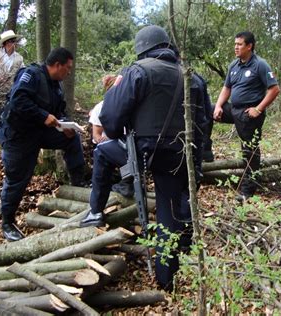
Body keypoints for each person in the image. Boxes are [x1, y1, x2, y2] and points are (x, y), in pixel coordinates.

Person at [80, 25, 206, 291]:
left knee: (103, 151)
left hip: (143, 150)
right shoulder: (193, 77)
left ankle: (95, 211)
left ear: (142, 48)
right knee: (169, 210)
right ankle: (167, 277)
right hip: (181, 152)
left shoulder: (136, 71)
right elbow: (203, 123)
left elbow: (111, 120)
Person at [0, 47, 86, 242]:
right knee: (18, 178)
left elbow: (59, 110)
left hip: (39, 133)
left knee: (71, 138)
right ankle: (7, 222)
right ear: (57, 65)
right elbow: (17, 102)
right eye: (68, 68)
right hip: (18, 136)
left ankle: (79, 183)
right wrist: (43, 115)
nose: (69, 72)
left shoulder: (56, 85)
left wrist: (65, 124)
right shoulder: (31, 75)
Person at [210, 31, 280, 201]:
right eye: (235, 44)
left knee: (249, 151)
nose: (236, 47)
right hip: (234, 109)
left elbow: (274, 89)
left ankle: (248, 190)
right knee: (207, 110)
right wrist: (219, 106)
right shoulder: (234, 66)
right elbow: (226, 88)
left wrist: (259, 108)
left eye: (240, 44)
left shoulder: (260, 65)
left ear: (250, 46)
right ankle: (205, 152)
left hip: (249, 113)